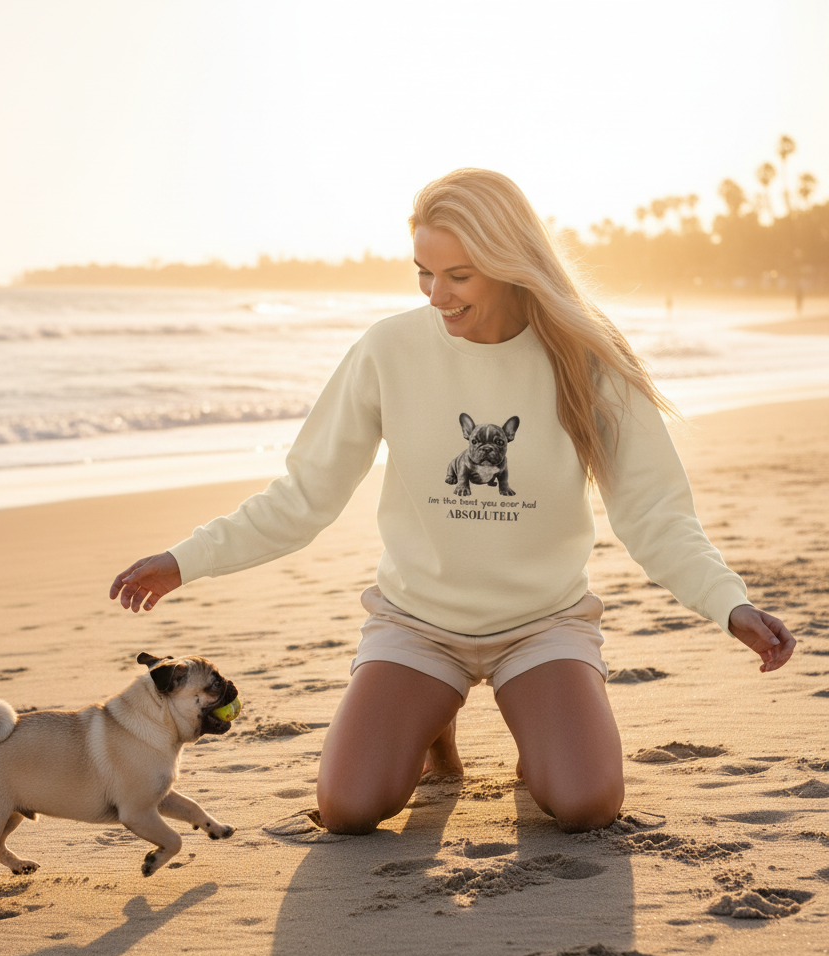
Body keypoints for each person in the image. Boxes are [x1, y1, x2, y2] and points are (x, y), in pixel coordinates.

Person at [109, 168, 795, 836]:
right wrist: (183, 561)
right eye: (422, 273)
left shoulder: (591, 357)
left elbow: (654, 513)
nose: (436, 294)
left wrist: (727, 602)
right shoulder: (388, 350)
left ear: (511, 264)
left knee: (586, 803)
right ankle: (436, 721)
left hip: (541, 623)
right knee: (350, 808)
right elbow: (304, 496)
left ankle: (547, 719)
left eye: (458, 275)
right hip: (419, 624)